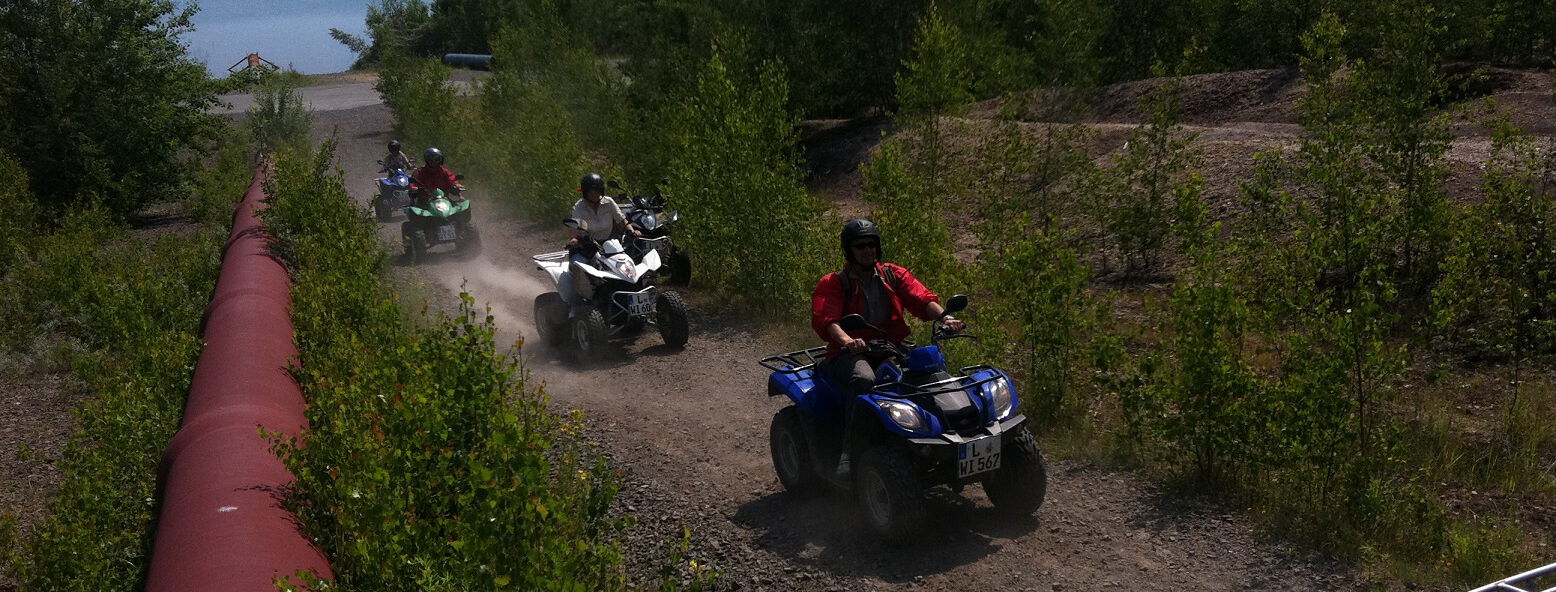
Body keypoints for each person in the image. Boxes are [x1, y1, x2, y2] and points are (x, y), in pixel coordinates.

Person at [809, 219, 964, 476]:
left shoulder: (892, 274)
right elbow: (827, 320)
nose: (867, 250)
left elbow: (921, 298)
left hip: (891, 345)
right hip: (849, 353)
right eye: (860, 246)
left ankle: (944, 433)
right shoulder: (835, 283)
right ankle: (849, 453)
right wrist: (847, 340)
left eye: (872, 244)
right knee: (863, 379)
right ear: (849, 250)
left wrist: (945, 318)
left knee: (930, 367)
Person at [559, 173, 641, 308]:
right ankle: (577, 305)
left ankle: (630, 297)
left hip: (609, 245)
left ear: (601, 191)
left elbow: (621, 220)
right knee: (577, 266)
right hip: (586, 246)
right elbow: (574, 226)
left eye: (597, 191)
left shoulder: (609, 202)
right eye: (591, 192)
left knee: (626, 265)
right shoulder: (579, 207)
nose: (594, 194)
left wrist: (632, 230)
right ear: (585, 192)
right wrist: (574, 239)